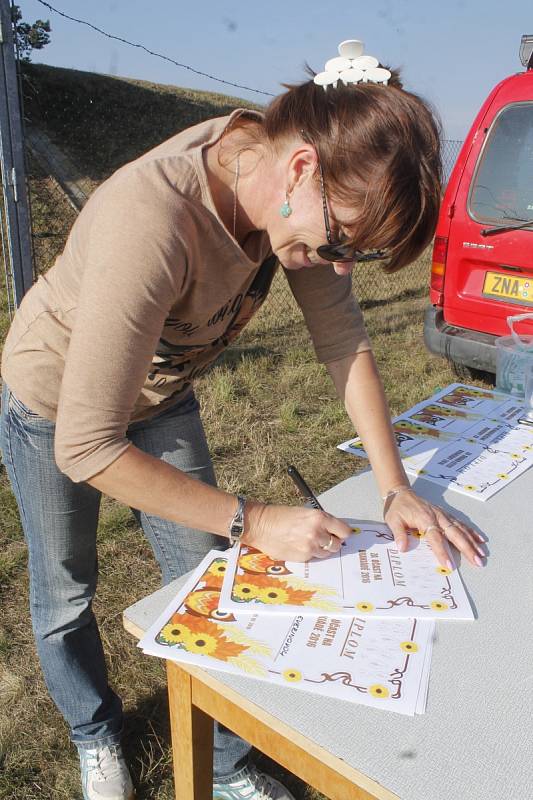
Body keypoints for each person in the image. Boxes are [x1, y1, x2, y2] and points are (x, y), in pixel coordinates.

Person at [0, 39, 485, 800]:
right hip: (55, 404)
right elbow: (86, 445)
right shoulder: (153, 218)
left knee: (207, 577)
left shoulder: (293, 191)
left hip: (161, 396)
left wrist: (394, 486)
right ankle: (94, 733)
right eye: (339, 241)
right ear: (300, 169)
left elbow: (343, 341)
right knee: (65, 590)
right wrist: (252, 519)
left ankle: (223, 762)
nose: (338, 264)